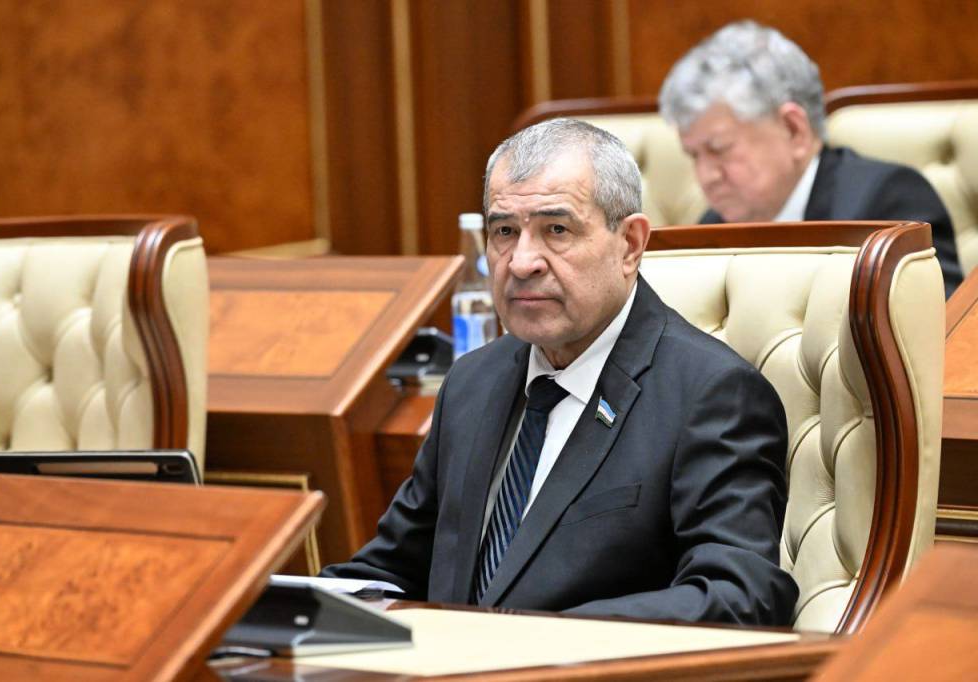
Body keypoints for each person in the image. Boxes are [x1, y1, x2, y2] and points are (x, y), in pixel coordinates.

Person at [322, 118, 798, 626]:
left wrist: (552, 640)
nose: (522, 262)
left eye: (556, 230)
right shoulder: (472, 381)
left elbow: (739, 594)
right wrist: (297, 608)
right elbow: (393, 570)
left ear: (630, 244)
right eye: (504, 232)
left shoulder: (711, 394)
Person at [659, 20, 962, 298]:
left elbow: (941, 330)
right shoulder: (711, 229)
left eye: (719, 149)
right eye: (693, 155)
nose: (706, 176)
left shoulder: (889, 207)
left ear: (794, 130)